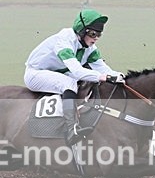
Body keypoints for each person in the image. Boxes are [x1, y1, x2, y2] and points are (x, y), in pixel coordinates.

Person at [24, 9, 123, 146]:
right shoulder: (64, 41)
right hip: (36, 74)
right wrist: (103, 77)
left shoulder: (89, 48)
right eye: (93, 34)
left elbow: (103, 68)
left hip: (59, 72)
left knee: (85, 82)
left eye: (99, 34)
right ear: (81, 31)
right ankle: (71, 130)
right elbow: (77, 71)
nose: (96, 38)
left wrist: (119, 76)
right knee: (69, 83)